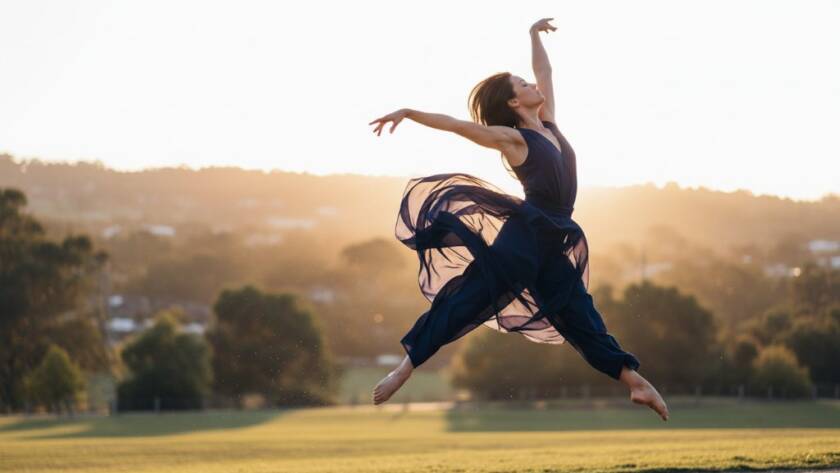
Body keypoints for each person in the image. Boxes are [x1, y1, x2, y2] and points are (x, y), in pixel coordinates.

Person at [367, 18, 669, 421]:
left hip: (553, 239)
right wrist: (409, 112)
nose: (533, 86)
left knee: (580, 312)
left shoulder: (551, 126)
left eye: (529, 83)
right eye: (523, 86)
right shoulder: (513, 140)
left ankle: (636, 383)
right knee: (469, 299)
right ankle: (404, 369)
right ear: (513, 103)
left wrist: (532, 36)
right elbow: (459, 126)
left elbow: (546, 72)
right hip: (524, 237)